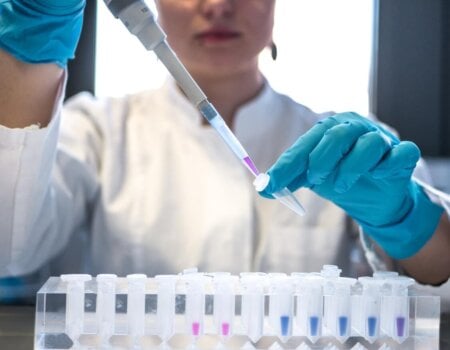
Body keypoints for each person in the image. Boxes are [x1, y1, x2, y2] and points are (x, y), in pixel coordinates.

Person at [0, 0, 449, 303]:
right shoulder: (95, 131)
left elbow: (438, 296)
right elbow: (11, 251)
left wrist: (406, 219)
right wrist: (30, 56)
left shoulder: (349, 148)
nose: (216, 5)